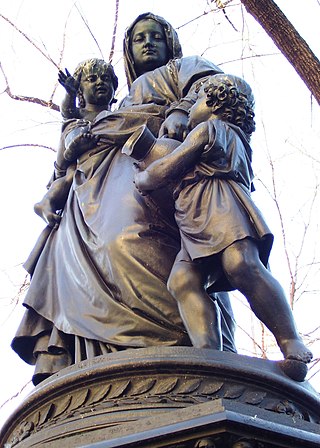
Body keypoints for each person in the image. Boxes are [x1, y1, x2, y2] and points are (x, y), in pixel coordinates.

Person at [12, 13, 237, 385]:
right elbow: (75, 138)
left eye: (154, 36)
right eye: (138, 39)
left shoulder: (185, 68)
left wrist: (181, 109)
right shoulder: (117, 107)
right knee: (84, 250)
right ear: (128, 51)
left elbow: (219, 90)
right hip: (96, 191)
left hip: (156, 175)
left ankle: (183, 352)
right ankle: (104, 362)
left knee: (132, 241)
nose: (147, 43)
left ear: (170, 42)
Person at [133, 74, 313, 363]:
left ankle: (290, 341)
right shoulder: (218, 131)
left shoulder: (212, 129)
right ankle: (209, 355)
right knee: (182, 280)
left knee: (241, 264)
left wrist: (145, 176)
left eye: (196, 102)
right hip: (193, 219)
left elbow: (169, 166)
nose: (190, 109)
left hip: (223, 208)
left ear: (214, 103)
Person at [34, 58, 118, 228]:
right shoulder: (80, 114)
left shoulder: (120, 117)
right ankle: (47, 202)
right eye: (92, 79)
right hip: (80, 157)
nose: (100, 82)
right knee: (71, 175)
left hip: (107, 162)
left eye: (105, 78)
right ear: (80, 89)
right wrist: (70, 94)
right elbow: (67, 111)